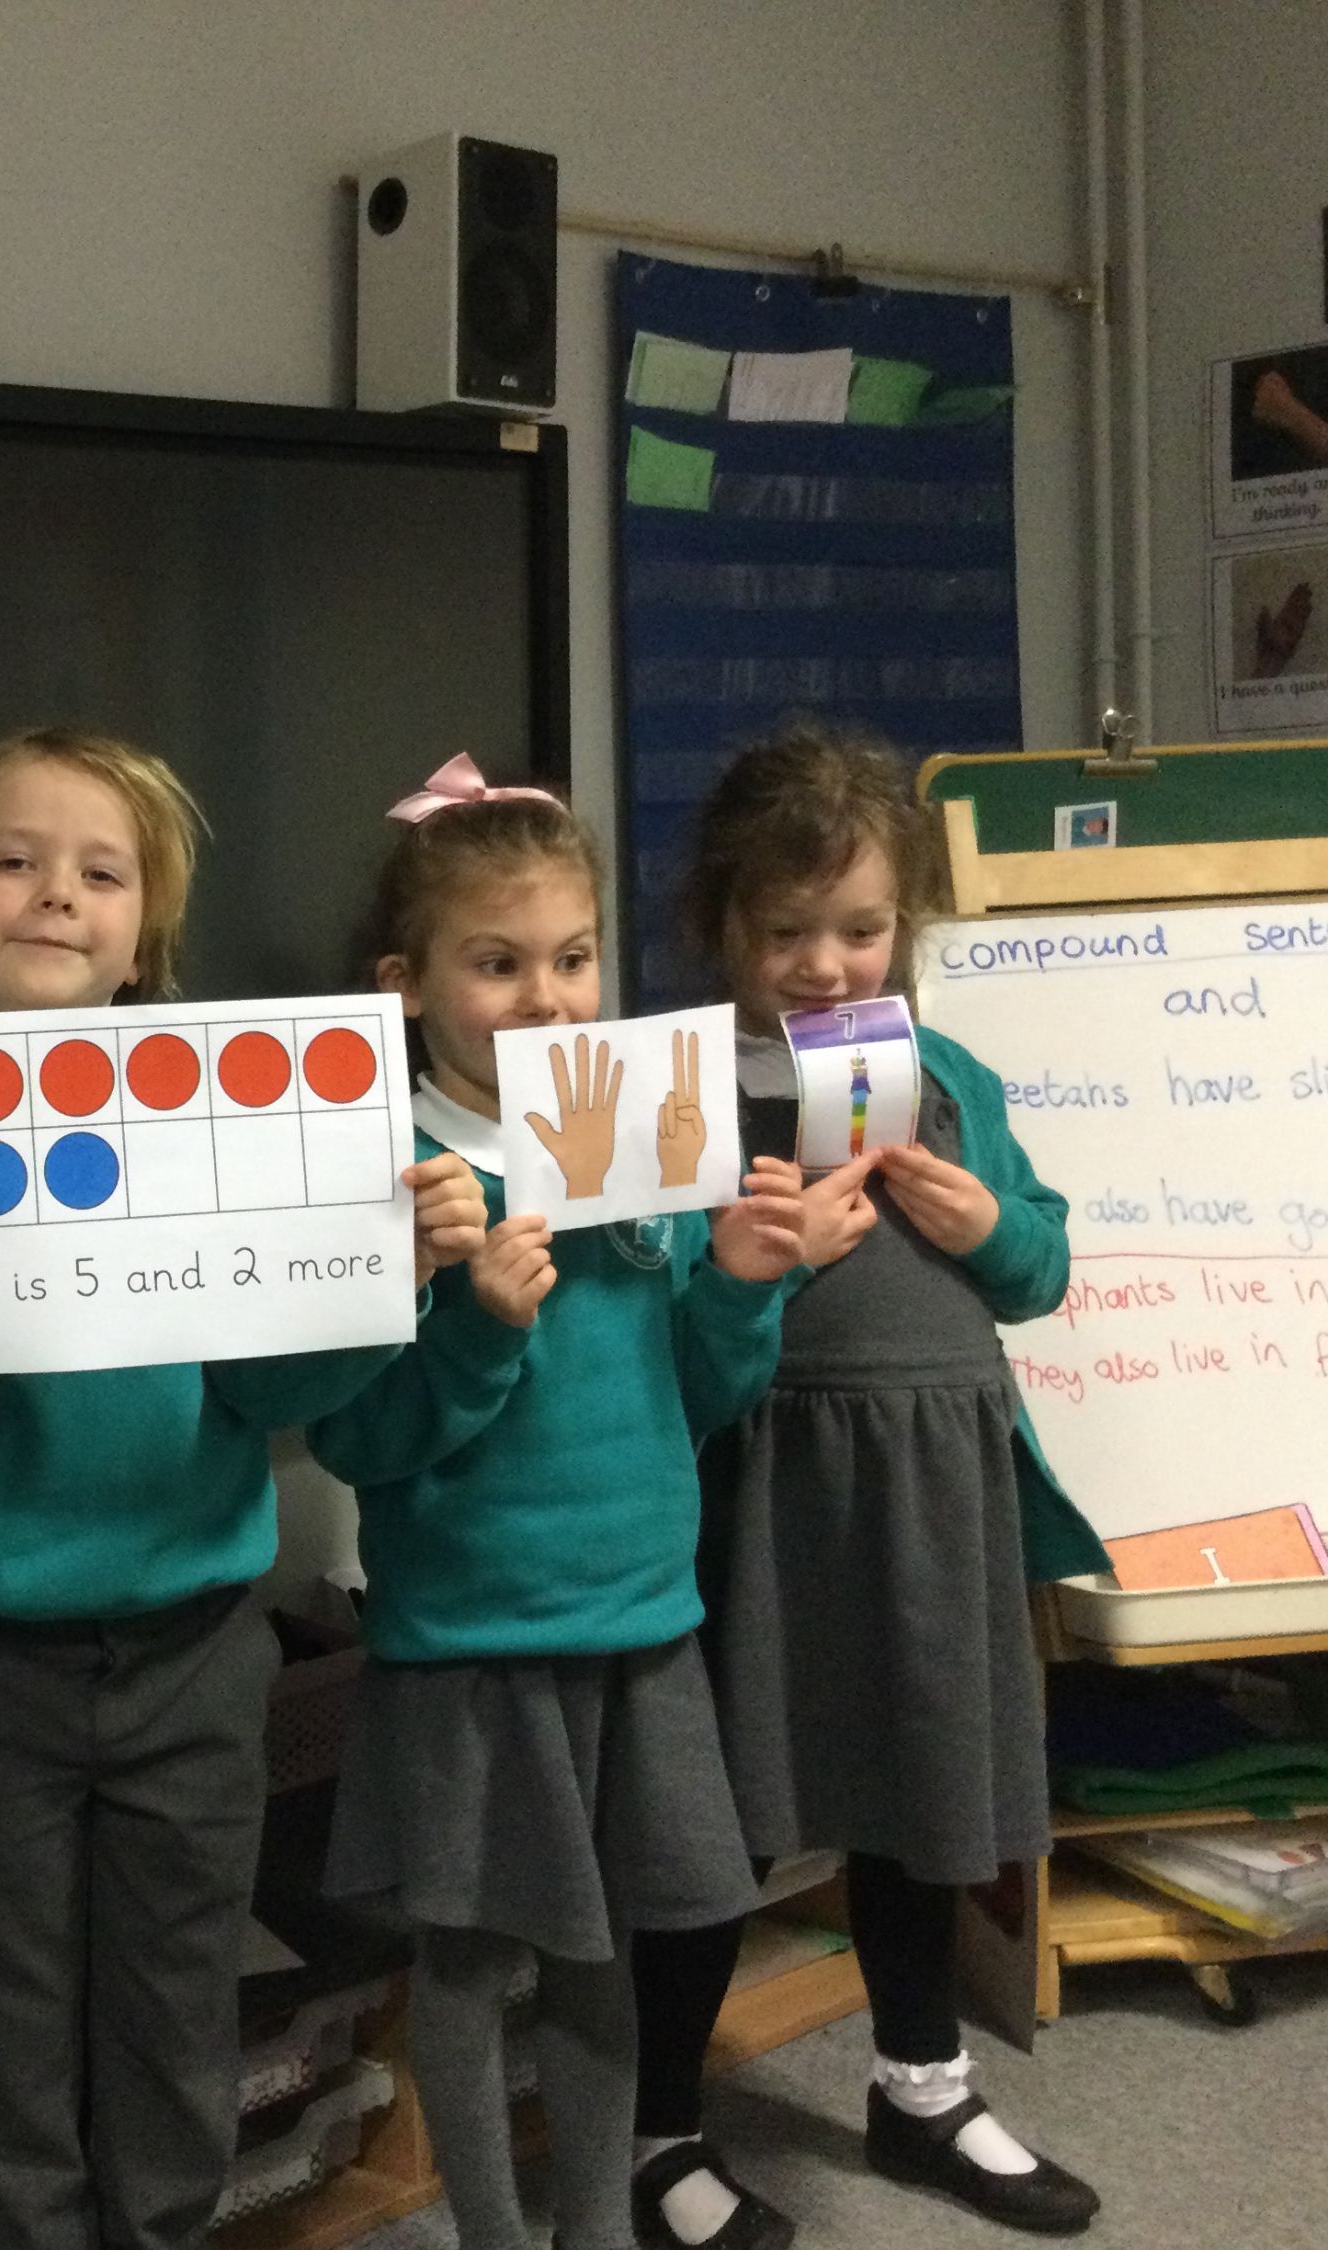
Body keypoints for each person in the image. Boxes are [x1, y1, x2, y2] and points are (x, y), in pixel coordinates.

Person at [0, 727, 482, 2250]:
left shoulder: (214, 1120)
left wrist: (382, 1280)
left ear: (143, 943)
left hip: (196, 1653)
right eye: (13, 861)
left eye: (101, 874)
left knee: (181, 2021)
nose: (57, 893)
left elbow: (268, 1396)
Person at [305, 757, 808, 2250]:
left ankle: (594, 2224)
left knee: (607, 1955)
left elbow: (695, 1394)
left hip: (637, 1616)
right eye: (498, 963)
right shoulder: (387, 1167)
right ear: (405, 985)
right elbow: (356, 1436)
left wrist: (740, 1288)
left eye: (575, 957)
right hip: (472, 1634)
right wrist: (474, 1327)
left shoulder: (643, 1131)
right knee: (468, 1965)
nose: (547, 998)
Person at [628, 724, 1107, 2246]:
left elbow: (1041, 1267)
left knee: (922, 1787)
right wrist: (759, 1275)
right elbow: (663, 1364)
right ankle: (658, 2125)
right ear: (720, 922)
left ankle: (924, 2087)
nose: (828, 965)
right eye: (788, 931)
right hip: (762, 1502)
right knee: (717, 1825)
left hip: (935, 1492)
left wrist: (989, 1230)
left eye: (862, 927)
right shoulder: (671, 1094)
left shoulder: (947, 1076)